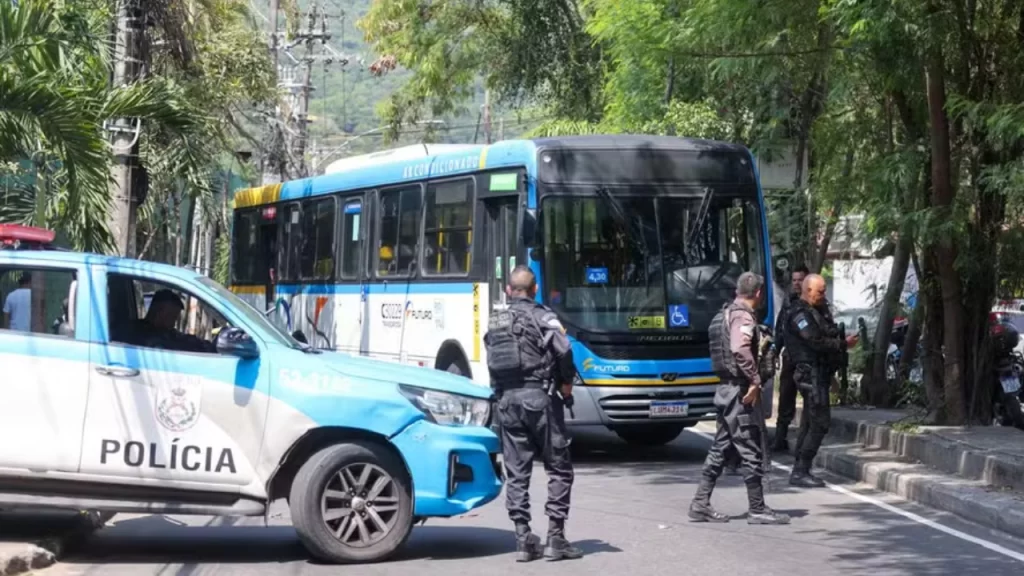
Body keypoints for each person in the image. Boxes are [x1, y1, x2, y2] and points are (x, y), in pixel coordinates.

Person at [484, 266, 582, 562]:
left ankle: (523, 538)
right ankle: (555, 537)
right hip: (540, 399)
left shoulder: (496, 322)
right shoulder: (543, 317)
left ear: (509, 291)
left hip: (507, 402)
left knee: (517, 472)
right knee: (559, 467)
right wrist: (566, 384)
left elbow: (490, 356)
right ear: (535, 289)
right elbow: (564, 350)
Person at [688, 272, 789, 525]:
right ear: (758, 294)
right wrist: (755, 380)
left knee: (721, 448)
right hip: (739, 393)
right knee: (750, 448)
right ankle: (757, 508)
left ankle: (700, 503)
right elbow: (740, 348)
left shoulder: (725, 313)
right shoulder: (742, 316)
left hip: (726, 390)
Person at [785, 274, 845, 488]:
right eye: (820, 291)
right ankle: (801, 469)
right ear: (807, 290)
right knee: (820, 422)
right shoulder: (798, 313)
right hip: (809, 374)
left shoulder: (817, 311)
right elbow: (814, 340)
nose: (823, 295)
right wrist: (840, 344)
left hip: (819, 373)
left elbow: (826, 332)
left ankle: (800, 468)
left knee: (810, 422)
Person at [772, 263, 809, 452]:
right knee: (786, 396)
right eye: (794, 280)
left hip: (808, 359)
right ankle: (780, 437)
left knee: (811, 398)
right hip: (790, 357)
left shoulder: (815, 302)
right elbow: (779, 330)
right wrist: (774, 351)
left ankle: (806, 440)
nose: (796, 284)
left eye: (800, 280)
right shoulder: (788, 302)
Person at [130, 289, 216, 353]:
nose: (174, 322)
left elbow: (182, 338)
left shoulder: (166, 331)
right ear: (159, 312)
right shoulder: (144, 334)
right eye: (172, 316)